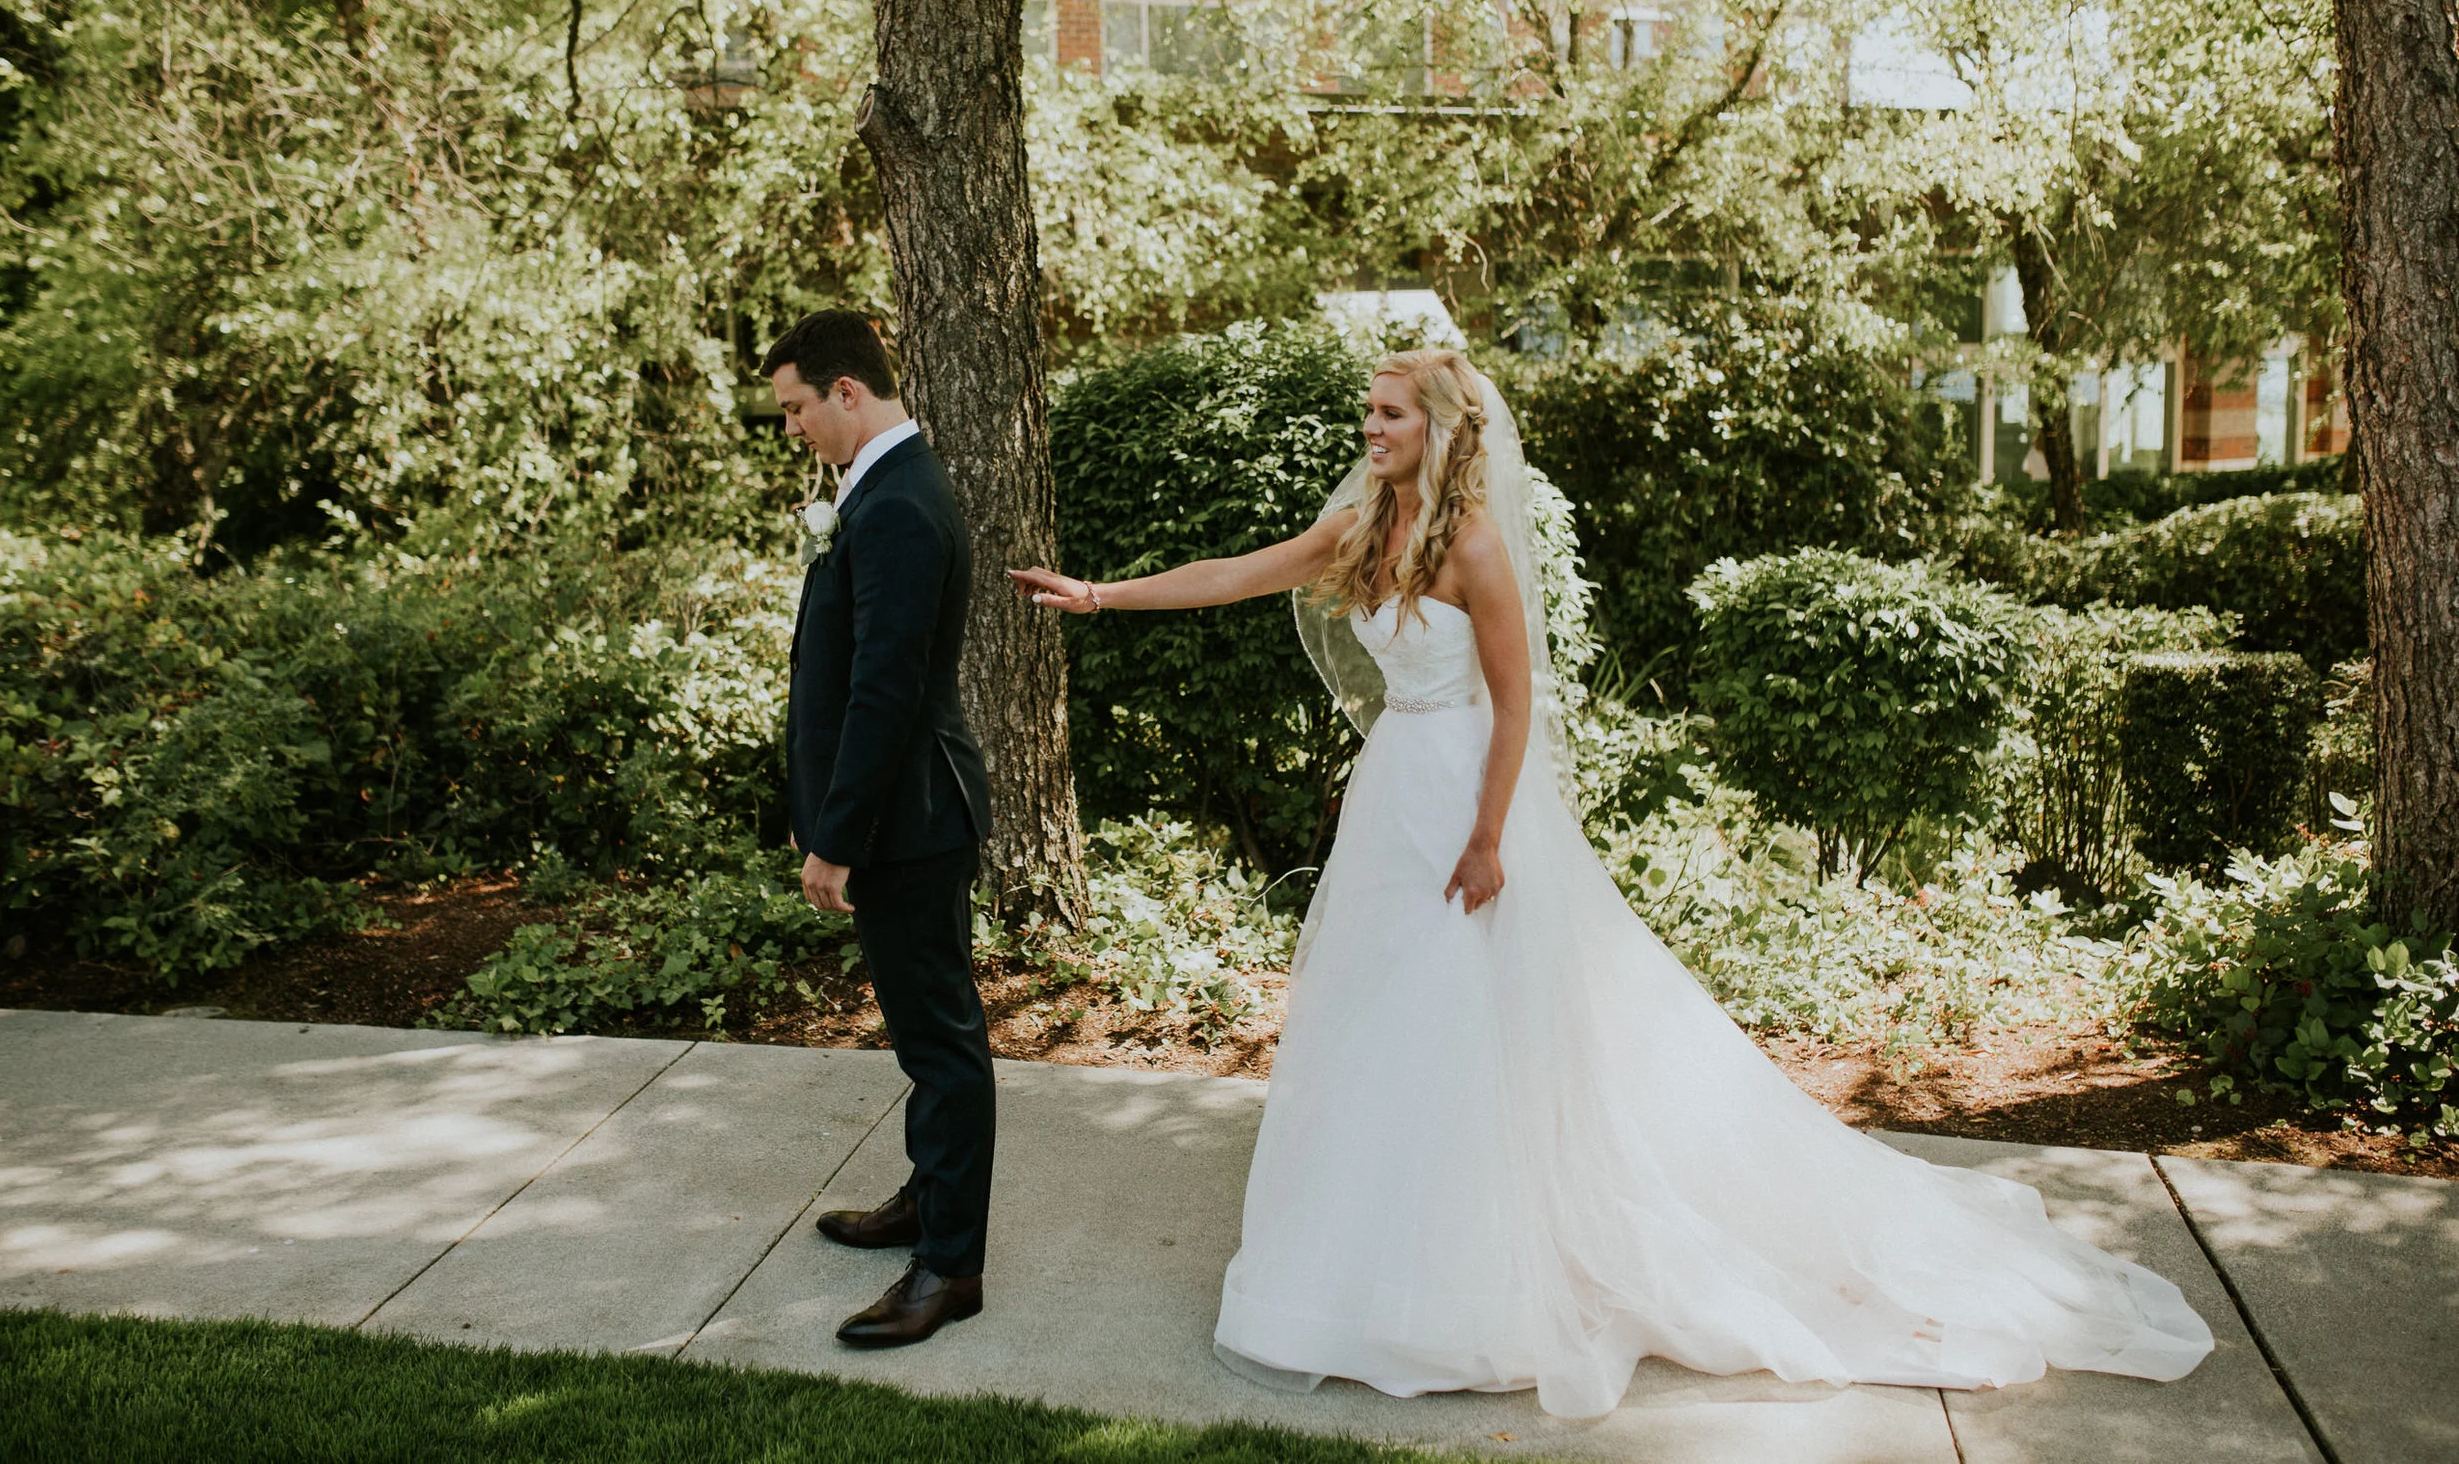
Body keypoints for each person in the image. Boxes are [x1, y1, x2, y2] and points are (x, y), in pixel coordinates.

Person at [1010, 347, 2212, 1418]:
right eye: (1366, 413)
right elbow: (1242, 569)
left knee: (1471, 1027)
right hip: (1392, 800)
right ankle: (1358, 1265)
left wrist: (1486, 839)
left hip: (1466, 802)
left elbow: (1517, 699)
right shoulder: (1364, 522)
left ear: (1438, 424)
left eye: (1386, 414)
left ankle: (1473, 1282)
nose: (1368, 430)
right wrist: (1101, 595)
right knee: (1380, 1026)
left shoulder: (1471, 544)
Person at [771, 309, 993, 1349]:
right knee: (920, 1029)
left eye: (794, 406)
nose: (792, 427)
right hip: (898, 814)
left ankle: (949, 1267)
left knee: (942, 1042)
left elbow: (884, 689)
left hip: (908, 817)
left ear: (846, 390)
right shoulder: (882, 486)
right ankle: (926, 1197)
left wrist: (835, 836)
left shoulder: (900, 503)